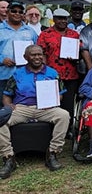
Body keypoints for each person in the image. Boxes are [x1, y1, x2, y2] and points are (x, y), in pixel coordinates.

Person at [0, 45, 70, 179]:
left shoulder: (52, 73)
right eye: (33, 55)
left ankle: (53, 153)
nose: (37, 57)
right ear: (26, 57)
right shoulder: (17, 74)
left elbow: (60, 95)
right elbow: (7, 94)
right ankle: (8, 158)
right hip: (22, 108)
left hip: (46, 108)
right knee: (1, 120)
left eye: (39, 54)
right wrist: (9, 106)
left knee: (64, 115)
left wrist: (52, 100)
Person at [37, 8, 80, 123]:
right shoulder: (45, 34)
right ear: (54, 19)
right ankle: (51, 127)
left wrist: (75, 57)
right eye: (60, 18)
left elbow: (79, 52)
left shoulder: (74, 34)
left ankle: (68, 129)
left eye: (65, 19)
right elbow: (42, 54)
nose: (63, 21)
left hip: (70, 75)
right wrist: (43, 71)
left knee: (68, 103)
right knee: (51, 103)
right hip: (51, 75)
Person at [0, 1, 38, 108]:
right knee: (3, 109)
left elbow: (38, 50)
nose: (17, 13)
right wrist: (2, 60)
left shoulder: (30, 31)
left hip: (24, 76)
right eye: (14, 11)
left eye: (20, 12)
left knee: (21, 107)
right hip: (3, 76)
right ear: (7, 12)